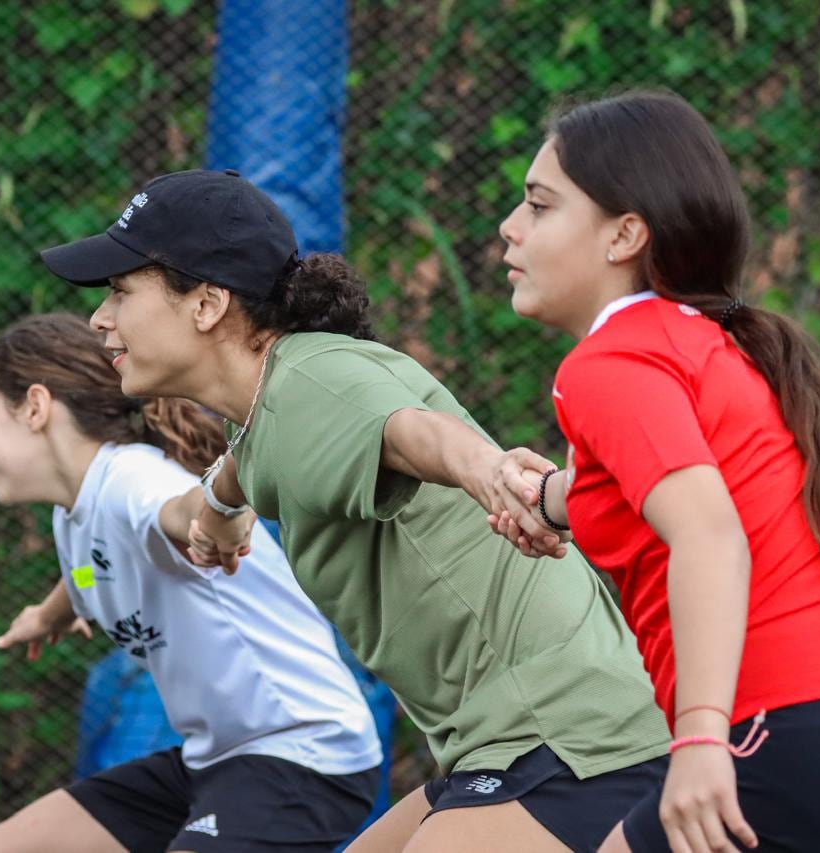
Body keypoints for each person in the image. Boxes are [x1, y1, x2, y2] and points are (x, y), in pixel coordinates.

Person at [38, 168, 673, 853]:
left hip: (568, 739)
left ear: (207, 305)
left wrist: (490, 472)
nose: (101, 318)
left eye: (122, 291)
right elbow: (256, 461)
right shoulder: (272, 403)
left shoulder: (312, 383)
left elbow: (410, 433)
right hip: (507, 745)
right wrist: (221, 507)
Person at [490, 90, 820, 853]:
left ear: (624, 234)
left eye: (539, 206)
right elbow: (670, 489)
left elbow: (710, 534)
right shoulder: (697, 340)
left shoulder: (608, 364)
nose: (509, 228)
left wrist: (700, 739)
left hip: (770, 737)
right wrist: (548, 501)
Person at [0, 312, 383, 853]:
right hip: (212, 761)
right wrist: (50, 614)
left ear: (35, 407)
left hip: (302, 755)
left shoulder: (131, 478)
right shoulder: (75, 512)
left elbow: (178, 511)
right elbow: (87, 571)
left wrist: (217, 515)